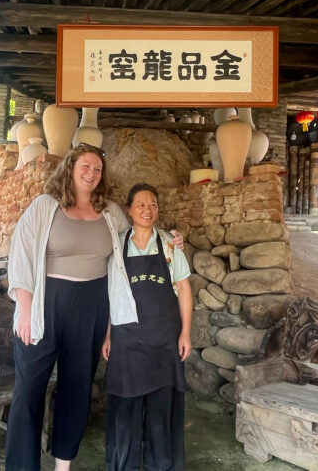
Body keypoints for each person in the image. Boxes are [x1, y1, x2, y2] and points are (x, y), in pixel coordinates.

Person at [5, 144, 181, 471]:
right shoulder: (45, 207)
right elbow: (21, 256)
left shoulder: (110, 213)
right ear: (71, 168)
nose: (91, 174)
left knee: (77, 386)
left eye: (97, 170)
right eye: (85, 166)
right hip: (46, 301)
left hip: (92, 305)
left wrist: (171, 240)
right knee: (29, 390)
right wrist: (25, 307)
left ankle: (62, 465)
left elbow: (137, 240)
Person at [102, 182, 193, 471]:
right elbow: (109, 293)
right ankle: (124, 465)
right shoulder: (116, 246)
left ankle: (161, 465)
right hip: (126, 339)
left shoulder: (169, 244)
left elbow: (184, 289)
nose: (147, 209)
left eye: (152, 204)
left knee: (160, 408)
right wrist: (107, 336)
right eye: (140, 204)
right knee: (126, 408)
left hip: (163, 339)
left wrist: (186, 332)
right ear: (129, 210)